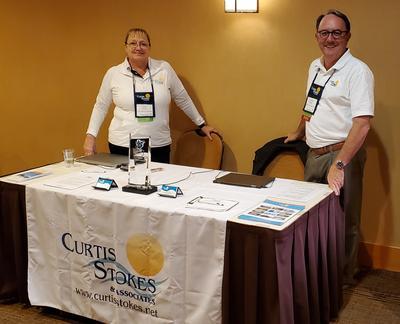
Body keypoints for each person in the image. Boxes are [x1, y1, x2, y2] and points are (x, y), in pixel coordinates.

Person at [285, 9, 374, 285]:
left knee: (344, 220)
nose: (330, 38)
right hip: (315, 153)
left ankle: (343, 279)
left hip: (342, 154)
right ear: (316, 37)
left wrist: (340, 164)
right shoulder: (315, 66)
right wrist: (299, 131)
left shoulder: (358, 71)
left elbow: (362, 124)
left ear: (347, 36)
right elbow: (311, 104)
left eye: (337, 32)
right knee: (311, 218)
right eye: (325, 33)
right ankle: (317, 273)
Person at [83, 28, 219, 163]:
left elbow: (183, 98)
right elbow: (101, 106)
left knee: (158, 183)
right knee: (126, 183)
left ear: (149, 47)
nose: (138, 47)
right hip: (123, 143)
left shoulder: (164, 69)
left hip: (158, 144)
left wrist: (202, 124)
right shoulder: (114, 73)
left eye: (143, 44)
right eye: (133, 43)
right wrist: (91, 136)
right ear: (125, 47)